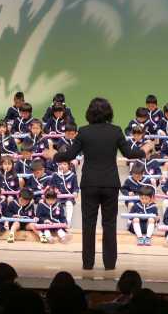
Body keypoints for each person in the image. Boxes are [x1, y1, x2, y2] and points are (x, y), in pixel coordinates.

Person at [50, 97, 153, 269]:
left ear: (90, 113)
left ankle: (88, 264)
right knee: (109, 225)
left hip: (89, 183)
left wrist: (53, 155)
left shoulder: (84, 131)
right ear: (109, 113)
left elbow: (69, 155)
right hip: (110, 183)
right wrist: (144, 150)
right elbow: (129, 154)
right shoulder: (116, 131)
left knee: (88, 225)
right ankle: (110, 264)